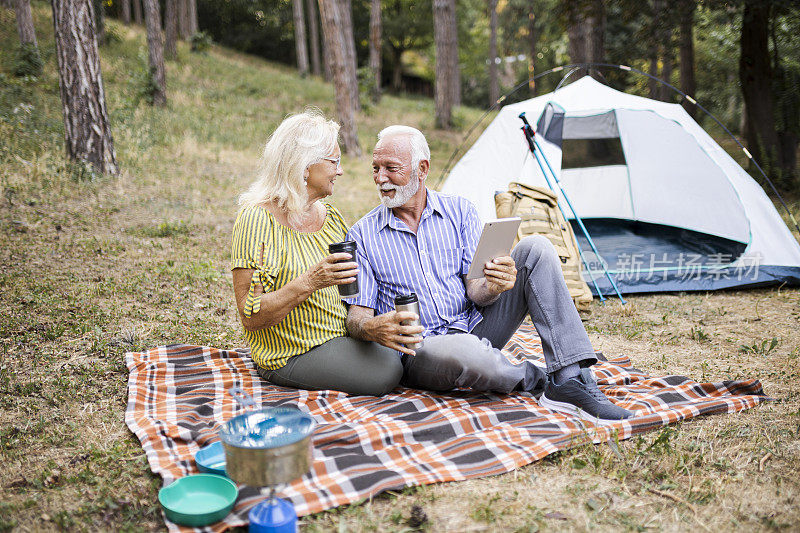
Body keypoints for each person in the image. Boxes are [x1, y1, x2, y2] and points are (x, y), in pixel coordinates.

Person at [343, 125, 633, 423]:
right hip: (423, 350)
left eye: (391, 168)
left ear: (422, 168)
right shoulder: (361, 236)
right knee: (467, 352)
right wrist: (373, 327)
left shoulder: (460, 211)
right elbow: (357, 317)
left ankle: (570, 379)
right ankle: (542, 378)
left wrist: (495, 285)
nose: (380, 178)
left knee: (536, 247)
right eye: (375, 168)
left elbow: (476, 291)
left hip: (476, 327)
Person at [230, 110, 403, 396]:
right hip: (292, 351)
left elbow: (355, 287)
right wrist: (312, 280)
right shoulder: (257, 220)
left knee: (399, 350)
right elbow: (251, 315)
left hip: (340, 336)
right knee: (388, 369)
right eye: (334, 161)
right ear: (305, 166)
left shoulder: (331, 217)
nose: (340, 170)